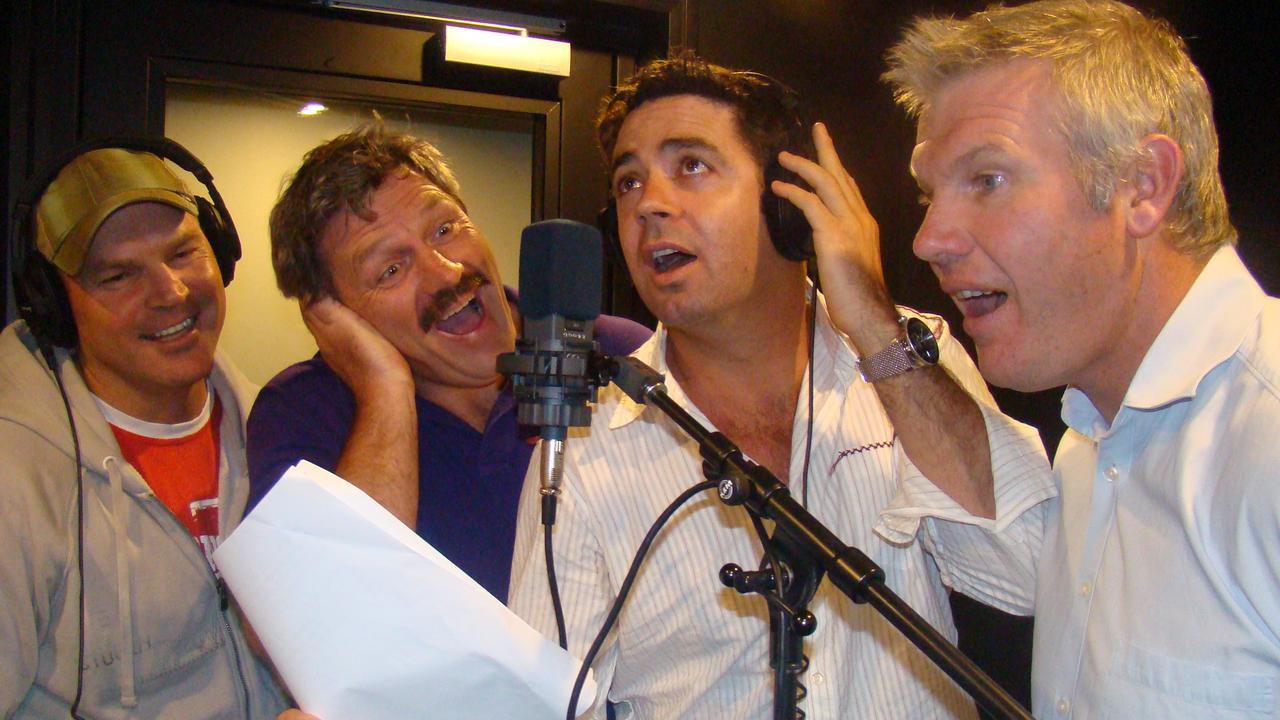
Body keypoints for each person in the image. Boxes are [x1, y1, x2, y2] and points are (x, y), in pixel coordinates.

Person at [507, 54, 1055, 719]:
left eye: (691, 166)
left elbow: (1026, 569)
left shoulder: (909, 358)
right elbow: (540, 707)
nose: (649, 203)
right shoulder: (583, 456)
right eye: (628, 182)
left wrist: (876, 331)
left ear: (788, 206)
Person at [884, 1, 1280, 716]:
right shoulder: (1090, 439)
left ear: (1143, 186)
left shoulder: (1266, 428)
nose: (930, 237)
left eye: (988, 180)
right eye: (929, 192)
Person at [246, 125, 650, 603]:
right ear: (334, 316)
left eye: (444, 229)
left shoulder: (618, 354)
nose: (447, 273)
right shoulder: (304, 411)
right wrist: (384, 392)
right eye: (390, 270)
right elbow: (325, 622)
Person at [0, 140, 287, 718]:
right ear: (54, 304)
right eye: (118, 276)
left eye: (183, 254)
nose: (172, 293)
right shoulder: (15, 476)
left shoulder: (276, 433)